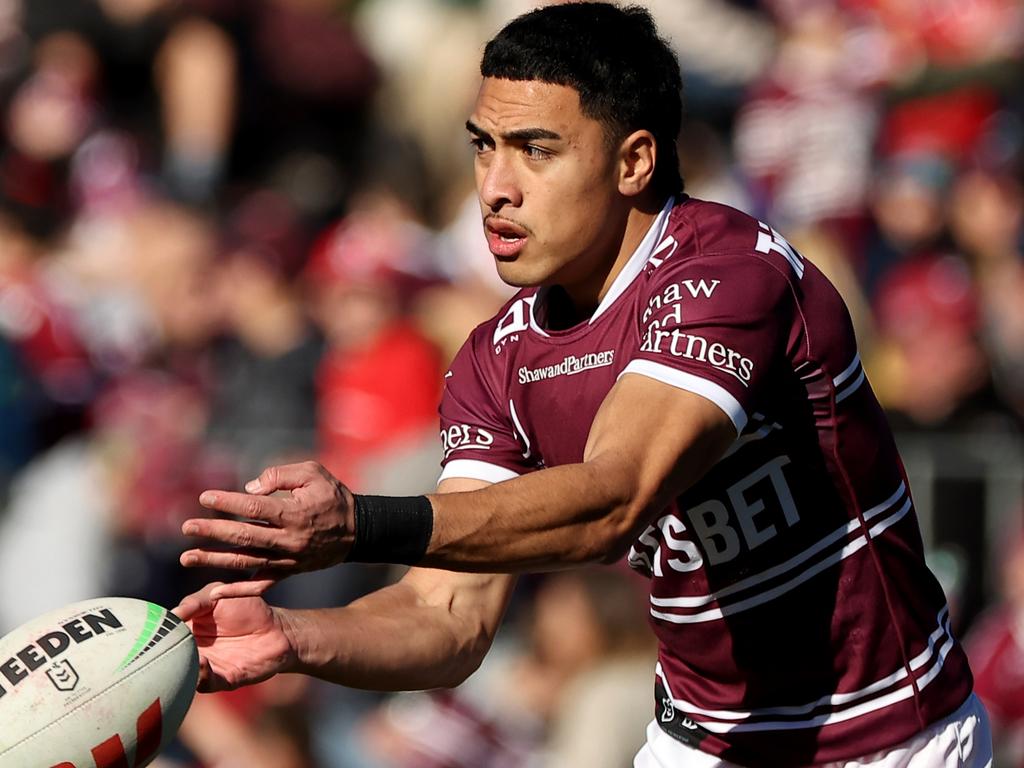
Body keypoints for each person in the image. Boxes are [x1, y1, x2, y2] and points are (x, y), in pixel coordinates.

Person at [175, 4, 992, 766]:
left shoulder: (732, 275)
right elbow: (445, 617)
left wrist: (357, 523)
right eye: (482, 146)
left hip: (884, 736)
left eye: (537, 149)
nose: (495, 186)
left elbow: (612, 499)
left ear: (634, 160)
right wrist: (290, 637)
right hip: (703, 742)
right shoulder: (497, 358)